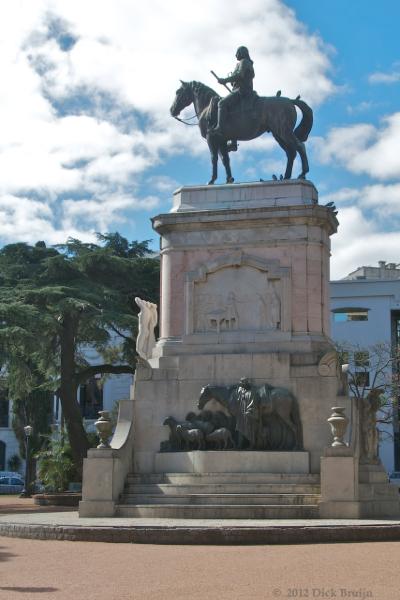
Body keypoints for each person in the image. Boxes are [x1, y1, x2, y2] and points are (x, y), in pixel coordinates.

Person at [213, 46, 255, 140]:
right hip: (239, 89)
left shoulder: (244, 62)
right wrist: (231, 81)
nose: (236, 55)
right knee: (231, 113)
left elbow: (240, 75)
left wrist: (225, 80)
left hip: (242, 90)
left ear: (242, 53)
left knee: (221, 103)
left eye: (237, 52)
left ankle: (219, 128)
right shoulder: (244, 62)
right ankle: (233, 140)